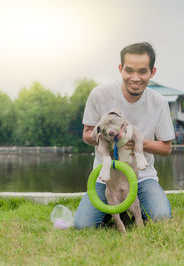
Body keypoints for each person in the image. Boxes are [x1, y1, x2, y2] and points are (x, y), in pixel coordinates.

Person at [74, 42, 175, 229]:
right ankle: (110, 211)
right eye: (129, 71)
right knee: (84, 225)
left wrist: (136, 143)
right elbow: (86, 134)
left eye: (142, 72)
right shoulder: (99, 94)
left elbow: (166, 148)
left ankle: (125, 211)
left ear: (152, 72)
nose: (135, 78)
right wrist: (101, 135)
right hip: (106, 178)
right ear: (121, 69)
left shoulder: (159, 102)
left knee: (161, 218)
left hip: (142, 177)